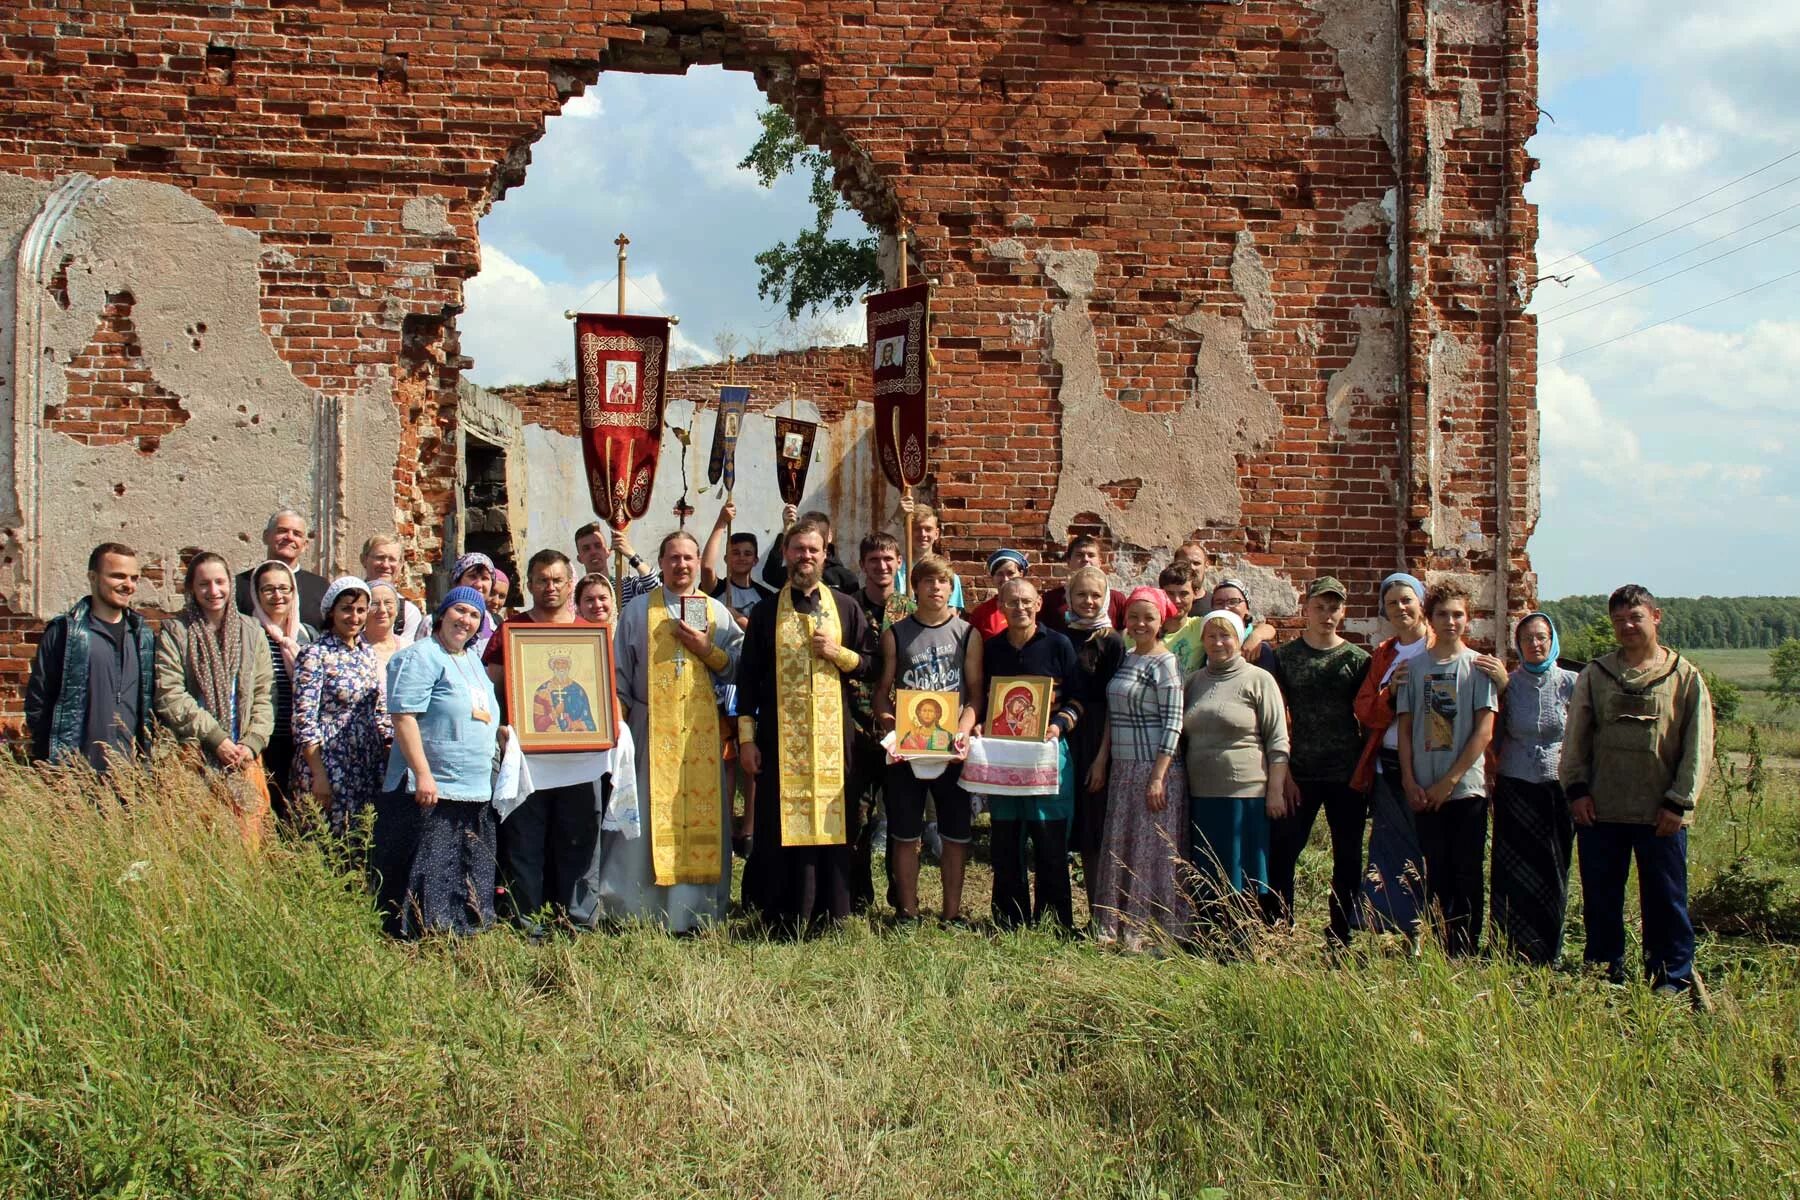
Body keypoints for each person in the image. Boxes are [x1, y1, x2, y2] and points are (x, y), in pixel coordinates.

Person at [1560, 585, 1712, 994]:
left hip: (1660, 815)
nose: (1627, 626)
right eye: (1619, 620)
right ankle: (1603, 974)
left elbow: (1698, 747)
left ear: (1655, 617)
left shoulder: (1683, 677)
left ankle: (1671, 978)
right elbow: (1575, 739)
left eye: (1635, 617)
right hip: (1602, 810)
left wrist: (1679, 803)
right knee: (1601, 900)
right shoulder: (1596, 674)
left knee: (1665, 901)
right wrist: (1577, 791)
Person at [600, 531, 743, 932]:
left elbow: (738, 664)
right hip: (649, 731)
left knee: (699, 819)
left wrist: (706, 650)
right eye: (673, 557)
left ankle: (694, 911)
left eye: (689, 558)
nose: (681, 565)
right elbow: (619, 674)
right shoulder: (638, 611)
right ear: (661, 563)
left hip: (701, 733)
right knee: (645, 816)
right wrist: (621, 728)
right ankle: (634, 906)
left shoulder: (714, 611)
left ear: (699, 563)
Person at [737, 516, 873, 935]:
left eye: (813, 550)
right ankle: (781, 912)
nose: (805, 557)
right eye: (798, 550)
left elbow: (870, 664)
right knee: (780, 823)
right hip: (780, 739)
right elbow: (747, 679)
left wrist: (838, 653)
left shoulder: (846, 607)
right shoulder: (765, 612)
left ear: (825, 553)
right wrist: (746, 739)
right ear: (785, 554)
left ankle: (834, 913)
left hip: (836, 741)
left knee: (836, 820)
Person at [373, 586, 503, 938]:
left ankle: (461, 931)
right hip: (432, 786)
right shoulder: (420, 657)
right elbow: (403, 717)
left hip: (472, 788)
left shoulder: (472, 661)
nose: (466, 620)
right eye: (460, 611)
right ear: (442, 614)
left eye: (475, 615)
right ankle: (420, 936)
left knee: (462, 864)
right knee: (428, 866)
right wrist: (423, 773)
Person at [482, 549, 600, 929]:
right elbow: (493, 690)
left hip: (579, 761)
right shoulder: (510, 631)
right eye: (541, 580)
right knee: (525, 841)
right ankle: (527, 919)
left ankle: (577, 920)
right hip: (527, 758)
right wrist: (501, 726)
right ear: (529, 584)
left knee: (579, 841)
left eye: (557, 580)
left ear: (570, 584)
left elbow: (595, 699)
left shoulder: (589, 634)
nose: (549, 587)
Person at [1394, 580, 1499, 957]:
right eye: (1443, 614)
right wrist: (1409, 779)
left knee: (1467, 871)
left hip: (1465, 789)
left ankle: (1467, 950)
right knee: (1435, 870)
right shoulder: (1413, 669)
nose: (1450, 621)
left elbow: (1484, 730)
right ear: (1430, 617)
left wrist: (1450, 781)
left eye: (1458, 614)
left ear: (1467, 619)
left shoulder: (1478, 667)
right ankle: (1440, 948)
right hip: (1424, 787)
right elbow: (1405, 729)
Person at [875, 553, 982, 922]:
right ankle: (908, 911)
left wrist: (963, 732)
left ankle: (951, 914)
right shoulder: (896, 634)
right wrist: (892, 727)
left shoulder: (967, 634)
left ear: (951, 590)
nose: (936, 588)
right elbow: (881, 693)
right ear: (915, 587)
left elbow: (974, 695)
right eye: (928, 582)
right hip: (908, 749)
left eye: (943, 583)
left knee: (955, 835)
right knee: (905, 834)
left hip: (950, 748)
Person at [1266, 577, 1371, 945]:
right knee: (1284, 851)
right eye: (1320, 607)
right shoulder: (1285, 658)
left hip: (1346, 772)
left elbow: (1368, 717)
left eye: (1334, 608)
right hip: (1301, 772)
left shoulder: (1357, 660)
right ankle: (1280, 927)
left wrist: (1364, 771)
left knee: (1347, 857)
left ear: (1343, 612)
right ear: (1306, 609)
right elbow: (1277, 717)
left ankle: (1341, 932)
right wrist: (1284, 773)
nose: (1327, 615)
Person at [979, 578, 1083, 930]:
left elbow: (1078, 700)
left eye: (1026, 601)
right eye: (1012, 602)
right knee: (1006, 841)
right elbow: (983, 703)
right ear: (1000, 606)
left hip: (1048, 754)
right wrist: (980, 724)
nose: (1019, 608)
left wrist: (1058, 725)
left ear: (1039, 603)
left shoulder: (1059, 645)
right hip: (1004, 757)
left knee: (1049, 839)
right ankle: (1010, 919)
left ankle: (1055, 923)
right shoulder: (992, 649)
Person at [1090, 587, 1190, 950]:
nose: (1140, 623)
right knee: (1124, 845)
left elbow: (1173, 723)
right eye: (1134, 616)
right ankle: (1115, 925)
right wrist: (1103, 759)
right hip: (1124, 768)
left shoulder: (1166, 663)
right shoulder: (1127, 657)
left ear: (1161, 620)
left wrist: (1159, 776)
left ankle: (1153, 930)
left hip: (1154, 769)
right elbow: (1113, 716)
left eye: (1148, 617)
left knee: (1151, 851)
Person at [1181, 608, 1290, 943]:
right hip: (1201, 792)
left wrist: (1275, 790)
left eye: (1226, 635)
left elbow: (1278, 740)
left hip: (1245, 792)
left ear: (1240, 638)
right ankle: (1210, 937)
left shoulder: (1258, 679)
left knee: (1242, 868)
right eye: (1211, 636)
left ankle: (1244, 939)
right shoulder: (1194, 682)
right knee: (1207, 868)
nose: (1218, 642)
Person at [154, 551, 276, 842]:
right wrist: (216, 738)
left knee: (248, 843)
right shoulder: (178, 630)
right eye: (204, 584)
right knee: (198, 843)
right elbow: (170, 694)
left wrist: (251, 742)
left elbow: (264, 694)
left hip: (244, 757)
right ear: (191, 589)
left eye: (220, 582)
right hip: (194, 755)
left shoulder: (251, 630)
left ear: (230, 585)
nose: (213, 591)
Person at [1490, 611, 1578, 966]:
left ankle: (1548, 950)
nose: (1535, 644)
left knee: (1553, 867)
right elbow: (1494, 735)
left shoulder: (1572, 683)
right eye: (1527, 639)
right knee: (1512, 869)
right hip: (1515, 787)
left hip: (1556, 788)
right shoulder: (1508, 684)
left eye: (1541, 637)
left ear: (1552, 640)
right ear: (1519, 645)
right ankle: (1507, 946)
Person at [26, 543, 156, 771]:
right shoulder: (65, 633)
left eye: (134, 578)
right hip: (77, 775)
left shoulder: (142, 636)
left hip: (132, 778)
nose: (129, 585)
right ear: (93, 577)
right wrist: (55, 765)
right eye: (118, 576)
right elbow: (38, 704)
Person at [293, 577, 392, 835]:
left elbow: (377, 708)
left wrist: (391, 745)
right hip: (329, 760)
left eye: (361, 610)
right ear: (331, 611)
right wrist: (319, 773)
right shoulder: (314, 654)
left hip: (365, 761)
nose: (354, 617)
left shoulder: (366, 653)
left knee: (362, 839)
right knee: (327, 838)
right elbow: (304, 719)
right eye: (347, 608)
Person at [847, 532, 914, 911]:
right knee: (858, 815)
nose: (882, 566)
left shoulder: (911, 609)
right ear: (863, 565)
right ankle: (858, 895)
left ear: (899, 563)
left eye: (888, 559)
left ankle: (900, 894)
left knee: (902, 815)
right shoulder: (848, 606)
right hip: (856, 725)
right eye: (874, 560)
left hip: (900, 726)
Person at [1065, 565, 1127, 895]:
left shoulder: (1113, 642)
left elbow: (1113, 702)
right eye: (1081, 594)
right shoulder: (1060, 636)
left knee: (1095, 828)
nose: (1088, 601)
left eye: (1095, 595)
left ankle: (1100, 909)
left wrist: (1103, 757)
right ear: (1069, 597)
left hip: (1097, 739)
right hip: (1064, 736)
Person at [249, 558, 317, 814]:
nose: (277, 595)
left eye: (283, 588)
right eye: (268, 589)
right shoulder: (247, 632)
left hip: (299, 739)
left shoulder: (306, 635)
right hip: (262, 738)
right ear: (256, 594)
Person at [235, 509, 328, 632]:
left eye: (297, 534)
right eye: (282, 531)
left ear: (305, 545)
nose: (289, 537)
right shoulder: (240, 584)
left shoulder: (321, 587)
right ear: (266, 537)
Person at [699, 501, 778, 626]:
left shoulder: (766, 596)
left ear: (755, 561)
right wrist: (722, 522)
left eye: (747, 554)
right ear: (726, 559)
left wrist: (741, 621)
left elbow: (767, 634)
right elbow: (707, 567)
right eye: (735, 553)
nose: (741, 557)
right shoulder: (717, 588)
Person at [760, 506, 860, 593]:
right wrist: (786, 532)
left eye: (819, 532)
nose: (807, 555)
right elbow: (770, 574)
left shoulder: (846, 578)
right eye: (805, 531)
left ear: (829, 536)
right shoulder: (793, 572)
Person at [1041, 535, 1128, 631]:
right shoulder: (1050, 599)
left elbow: (1122, 636)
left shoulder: (1116, 599)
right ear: (1068, 562)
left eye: (1091, 555)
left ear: (1100, 562)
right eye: (1079, 555)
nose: (1085, 559)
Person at [1207, 578, 1282, 685]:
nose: (1226, 607)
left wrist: (1256, 635)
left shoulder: (1258, 648)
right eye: (1219, 603)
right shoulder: (1208, 641)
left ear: (1247, 607)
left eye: (1233, 602)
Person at [894, 496, 964, 608]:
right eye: (917, 528)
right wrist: (896, 518)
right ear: (907, 531)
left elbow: (952, 617)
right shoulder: (896, 572)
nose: (923, 534)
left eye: (928, 529)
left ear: (936, 534)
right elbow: (875, 546)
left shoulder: (947, 576)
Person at [359, 534, 422, 647]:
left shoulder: (408, 613)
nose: (385, 565)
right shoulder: (346, 604)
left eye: (392, 559)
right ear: (363, 560)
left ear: (401, 564)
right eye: (379, 557)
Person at [576, 520, 660, 605]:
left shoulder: (627, 585)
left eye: (598, 546)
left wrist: (631, 554)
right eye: (586, 549)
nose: (593, 552)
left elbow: (657, 591)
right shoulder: (576, 594)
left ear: (608, 552)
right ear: (579, 559)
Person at [442, 553, 500, 657]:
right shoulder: (435, 621)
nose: (478, 584)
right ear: (457, 580)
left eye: (485, 578)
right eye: (472, 576)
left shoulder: (497, 626)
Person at [965, 548, 1028, 639]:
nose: (1005, 579)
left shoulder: (1033, 608)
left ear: (1021, 574)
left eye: (1010, 573)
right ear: (992, 578)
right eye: (999, 574)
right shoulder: (981, 613)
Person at [1159, 562, 1206, 675]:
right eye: (1170, 593)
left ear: (1195, 594)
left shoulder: (1202, 626)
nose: (1177, 600)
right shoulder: (1145, 629)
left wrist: (1257, 633)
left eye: (1183, 594)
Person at [362, 580, 406, 677]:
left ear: (397, 610)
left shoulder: (408, 648)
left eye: (388, 603)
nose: (382, 610)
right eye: (374, 604)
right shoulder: (354, 647)